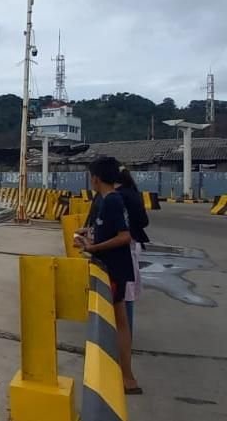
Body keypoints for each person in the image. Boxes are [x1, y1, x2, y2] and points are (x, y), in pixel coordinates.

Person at [74, 157, 141, 394]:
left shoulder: (112, 201)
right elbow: (110, 235)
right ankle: (126, 376)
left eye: (90, 176)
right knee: (118, 321)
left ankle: (127, 377)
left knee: (118, 322)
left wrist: (93, 248)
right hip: (111, 266)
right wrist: (89, 242)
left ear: (96, 178)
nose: (90, 180)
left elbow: (124, 236)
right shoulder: (109, 200)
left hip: (114, 269)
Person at [115, 167, 150, 338]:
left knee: (125, 292)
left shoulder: (119, 196)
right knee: (128, 291)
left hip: (125, 247)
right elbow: (144, 221)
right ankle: (126, 332)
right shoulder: (134, 193)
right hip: (135, 244)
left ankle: (125, 334)